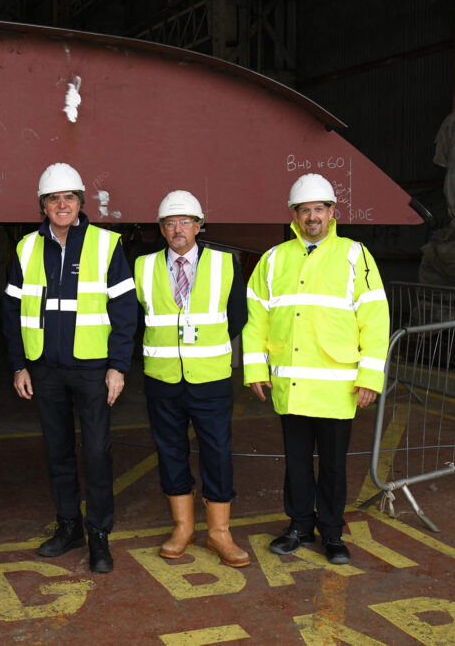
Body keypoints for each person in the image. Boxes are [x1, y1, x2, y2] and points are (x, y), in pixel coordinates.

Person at [243, 173, 389, 565]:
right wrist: (255, 369)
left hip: (337, 387)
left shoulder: (355, 255)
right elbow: (255, 317)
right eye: (304, 210)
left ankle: (332, 533)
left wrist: (370, 377)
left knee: (334, 466)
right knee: (296, 464)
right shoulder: (274, 259)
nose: (312, 217)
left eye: (319, 209)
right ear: (294, 215)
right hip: (290, 385)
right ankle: (299, 526)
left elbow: (375, 318)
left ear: (332, 213)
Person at [3, 163, 136, 573]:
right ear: (43, 206)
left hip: (93, 369)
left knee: (96, 451)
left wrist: (118, 365)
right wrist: (19, 365)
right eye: (53, 199)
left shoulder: (106, 244)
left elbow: (125, 310)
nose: (62, 205)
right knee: (57, 451)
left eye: (69, 198)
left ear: (81, 202)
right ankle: (68, 527)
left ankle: (98, 534)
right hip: (44, 368)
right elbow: (11, 312)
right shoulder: (26, 248)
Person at [134, 191, 250, 567]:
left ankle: (219, 532)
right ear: (161, 230)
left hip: (210, 377)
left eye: (185, 221)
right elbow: (136, 319)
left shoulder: (226, 264)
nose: (177, 229)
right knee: (170, 451)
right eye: (169, 223)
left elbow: (237, 316)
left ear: (199, 225)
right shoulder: (142, 266)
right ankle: (183, 527)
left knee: (216, 452)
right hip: (163, 376)